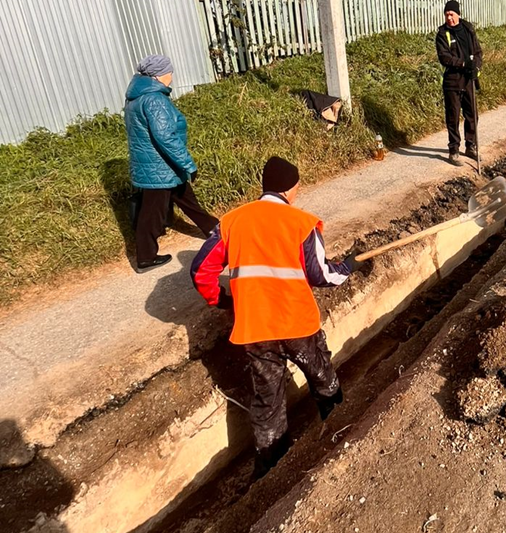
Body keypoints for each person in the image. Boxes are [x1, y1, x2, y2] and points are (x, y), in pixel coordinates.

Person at [190, 156, 363, 479]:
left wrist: (223, 299)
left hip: (255, 329)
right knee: (322, 377)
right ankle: (342, 427)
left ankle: (272, 471)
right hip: (296, 323)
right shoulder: (300, 223)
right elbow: (321, 274)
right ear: (290, 188)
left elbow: (200, 270)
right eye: (298, 186)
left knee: (268, 402)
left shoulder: (231, 222)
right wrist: (348, 268)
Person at [124, 55, 218, 272]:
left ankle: (215, 230)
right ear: (158, 75)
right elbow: (165, 137)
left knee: (187, 199)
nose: (171, 76)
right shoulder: (154, 99)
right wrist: (188, 164)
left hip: (156, 165)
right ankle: (145, 258)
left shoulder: (136, 97)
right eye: (169, 72)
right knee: (151, 215)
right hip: (160, 167)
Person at [435, 0, 483, 166]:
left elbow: (477, 52)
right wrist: (463, 64)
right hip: (452, 82)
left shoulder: (468, 29)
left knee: (472, 114)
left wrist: (475, 67)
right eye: (447, 15)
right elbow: (444, 57)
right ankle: (454, 150)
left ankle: (471, 146)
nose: (449, 18)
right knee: (453, 116)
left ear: (458, 14)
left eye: (452, 14)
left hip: (468, 80)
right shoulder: (442, 34)